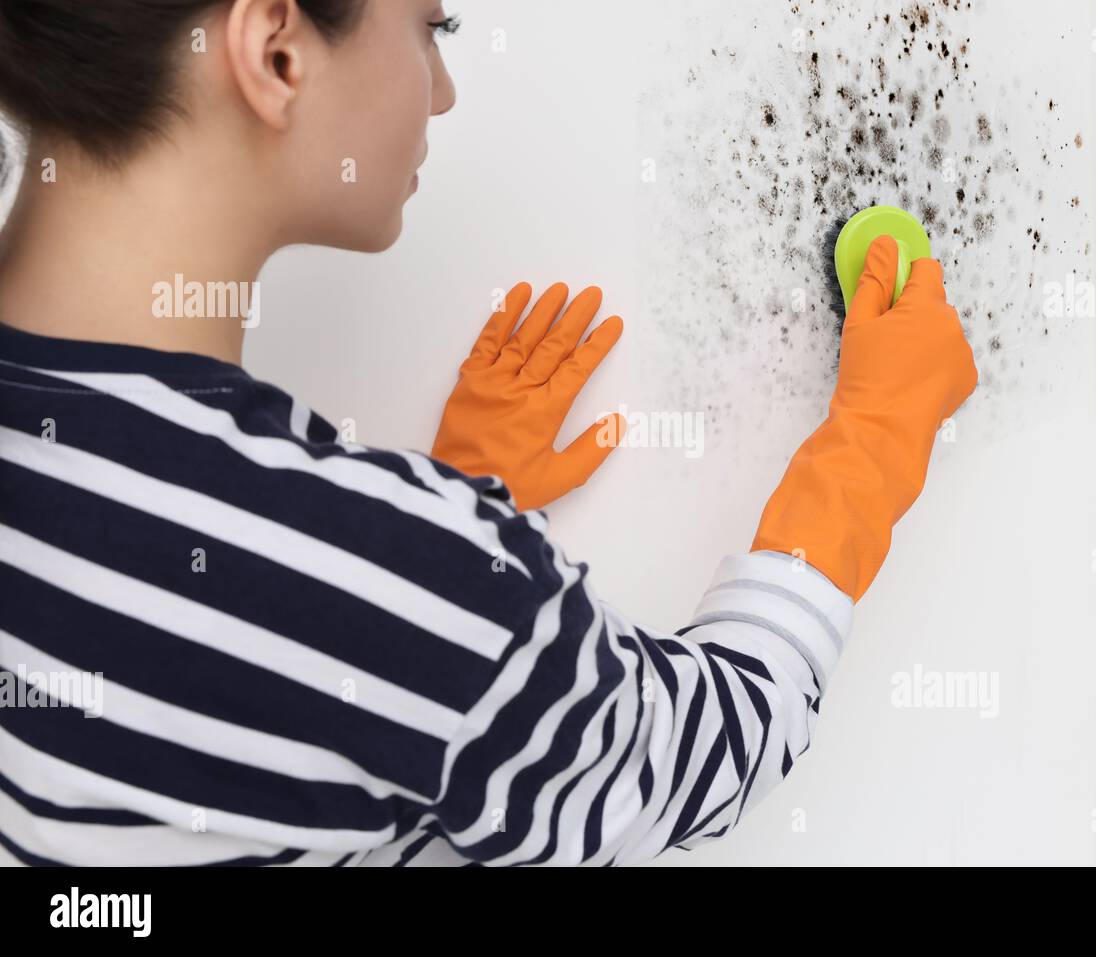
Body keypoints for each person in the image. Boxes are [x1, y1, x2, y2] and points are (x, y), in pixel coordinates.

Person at [0, 0, 976, 866]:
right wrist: (875, 442)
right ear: (278, 52)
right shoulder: (363, 574)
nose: (445, 91)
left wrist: (424, 537)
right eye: (434, 30)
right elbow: (696, 752)